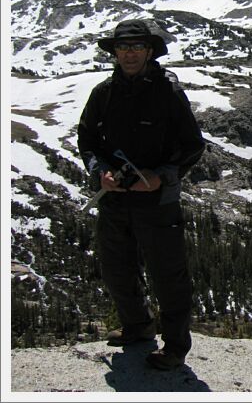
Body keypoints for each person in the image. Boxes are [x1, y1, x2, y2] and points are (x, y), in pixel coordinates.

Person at [77, 19, 205, 371]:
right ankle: (138, 326)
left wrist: (161, 176)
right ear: (114, 52)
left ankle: (176, 346)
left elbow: (193, 145)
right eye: (123, 47)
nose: (129, 53)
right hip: (115, 198)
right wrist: (98, 171)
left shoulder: (168, 93)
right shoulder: (103, 93)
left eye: (136, 47)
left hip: (158, 202)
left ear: (149, 51)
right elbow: (87, 140)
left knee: (168, 274)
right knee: (117, 268)